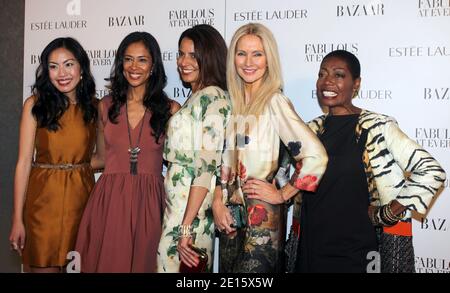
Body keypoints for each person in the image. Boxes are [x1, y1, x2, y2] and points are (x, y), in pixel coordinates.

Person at [255, 50, 446, 273]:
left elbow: (432, 171)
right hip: (308, 251)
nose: (328, 81)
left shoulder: (378, 128)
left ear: (356, 84)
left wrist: (389, 212)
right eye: (322, 74)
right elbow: (283, 178)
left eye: (339, 75)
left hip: (358, 253)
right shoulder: (308, 130)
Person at [212, 23, 328, 273]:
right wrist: (217, 201)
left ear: (269, 60)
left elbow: (316, 156)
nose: (248, 62)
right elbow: (222, 163)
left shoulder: (274, 101)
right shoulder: (231, 103)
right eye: (241, 53)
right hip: (231, 222)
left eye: (257, 54)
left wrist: (282, 194)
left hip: (262, 226)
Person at [75, 31, 179, 273]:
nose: (134, 66)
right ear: (120, 63)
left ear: (153, 66)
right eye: (128, 59)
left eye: (142, 60)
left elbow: (182, 166)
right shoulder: (105, 106)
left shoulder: (171, 109)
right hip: (109, 202)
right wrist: (58, 168)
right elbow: (100, 158)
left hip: (151, 203)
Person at [9, 37, 99, 273]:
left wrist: (77, 166)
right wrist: (17, 219)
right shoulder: (34, 105)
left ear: (81, 68)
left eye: (69, 64)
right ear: (46, 70)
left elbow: (105, 158)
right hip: (42, 202)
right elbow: (23, 163)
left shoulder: (95, 107)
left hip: (82, 200)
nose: (62, 73)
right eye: (53, 66)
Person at [157, 24, 231, 273]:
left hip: (192, 213)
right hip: (179, 209)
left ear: (209, 57)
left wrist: (186, 226)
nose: (183, 61)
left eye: (192, 55)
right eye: (181, 53)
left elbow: (207, 166)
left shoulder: (213, 97)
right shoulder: (196, 96)